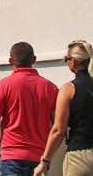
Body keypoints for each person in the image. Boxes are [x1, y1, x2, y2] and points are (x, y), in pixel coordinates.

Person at [0, 42, 59, 176]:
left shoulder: (4, 86)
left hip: (12, 159)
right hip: (40, 159)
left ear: (10, 61)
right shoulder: (51, 88)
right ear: (34, 60)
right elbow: (57, 126)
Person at [34, 40, 93, 176]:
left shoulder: (68, 89)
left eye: (66, 58)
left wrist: (45, 161)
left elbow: (58, 130)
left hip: (80, 157)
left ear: (74, 62)